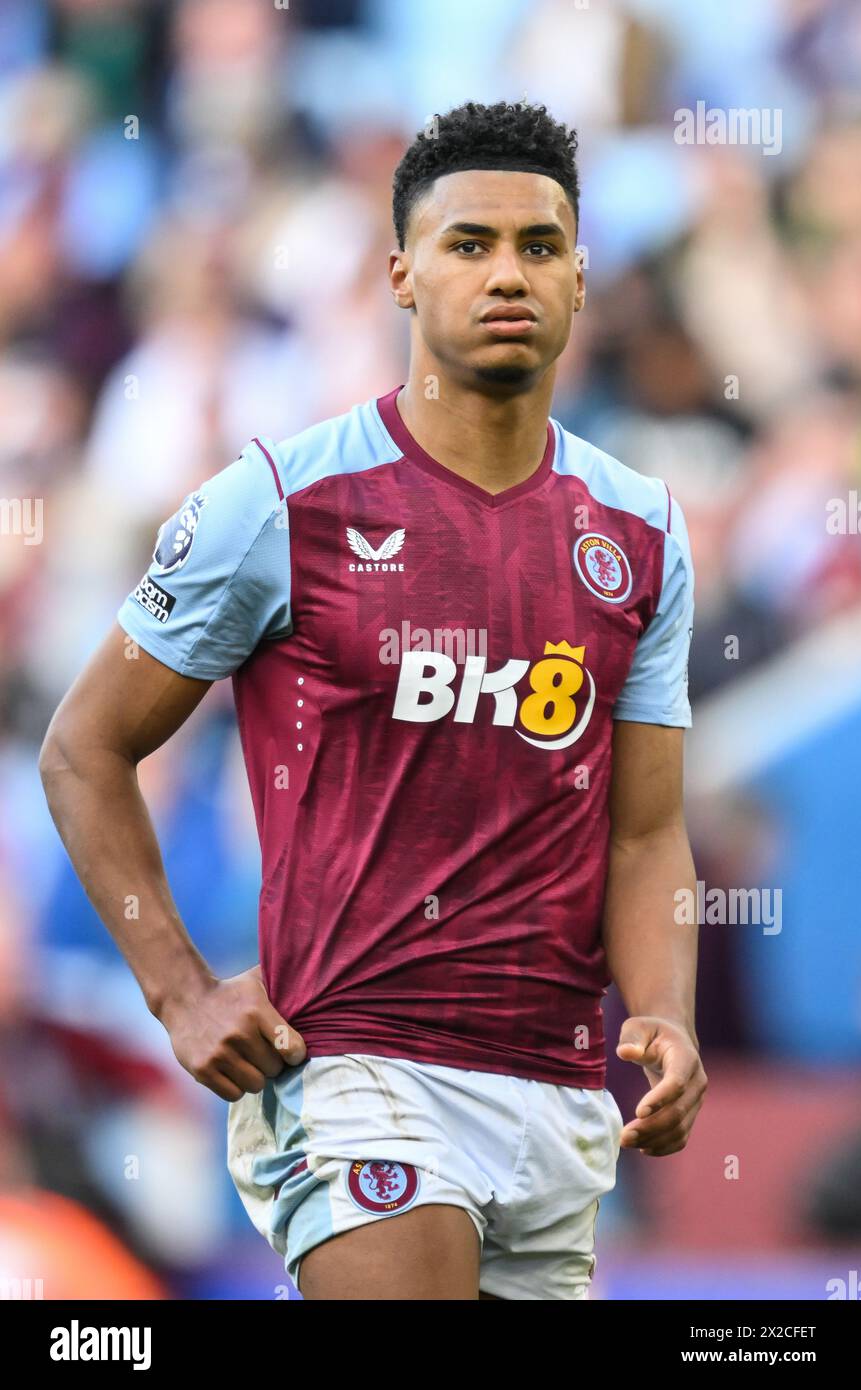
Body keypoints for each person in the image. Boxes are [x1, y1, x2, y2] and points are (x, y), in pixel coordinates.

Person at [39, 99, 707, 1301]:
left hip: (556, 1088)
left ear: (579, 278)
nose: (506, 274)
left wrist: (663, 1009)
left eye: (538, 246)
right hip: (357, 1067)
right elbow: (84, 749)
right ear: (401, 273)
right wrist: (179, 990)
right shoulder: (279, 502)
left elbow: (646, 830)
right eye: (467, 244)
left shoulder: (640, 530)